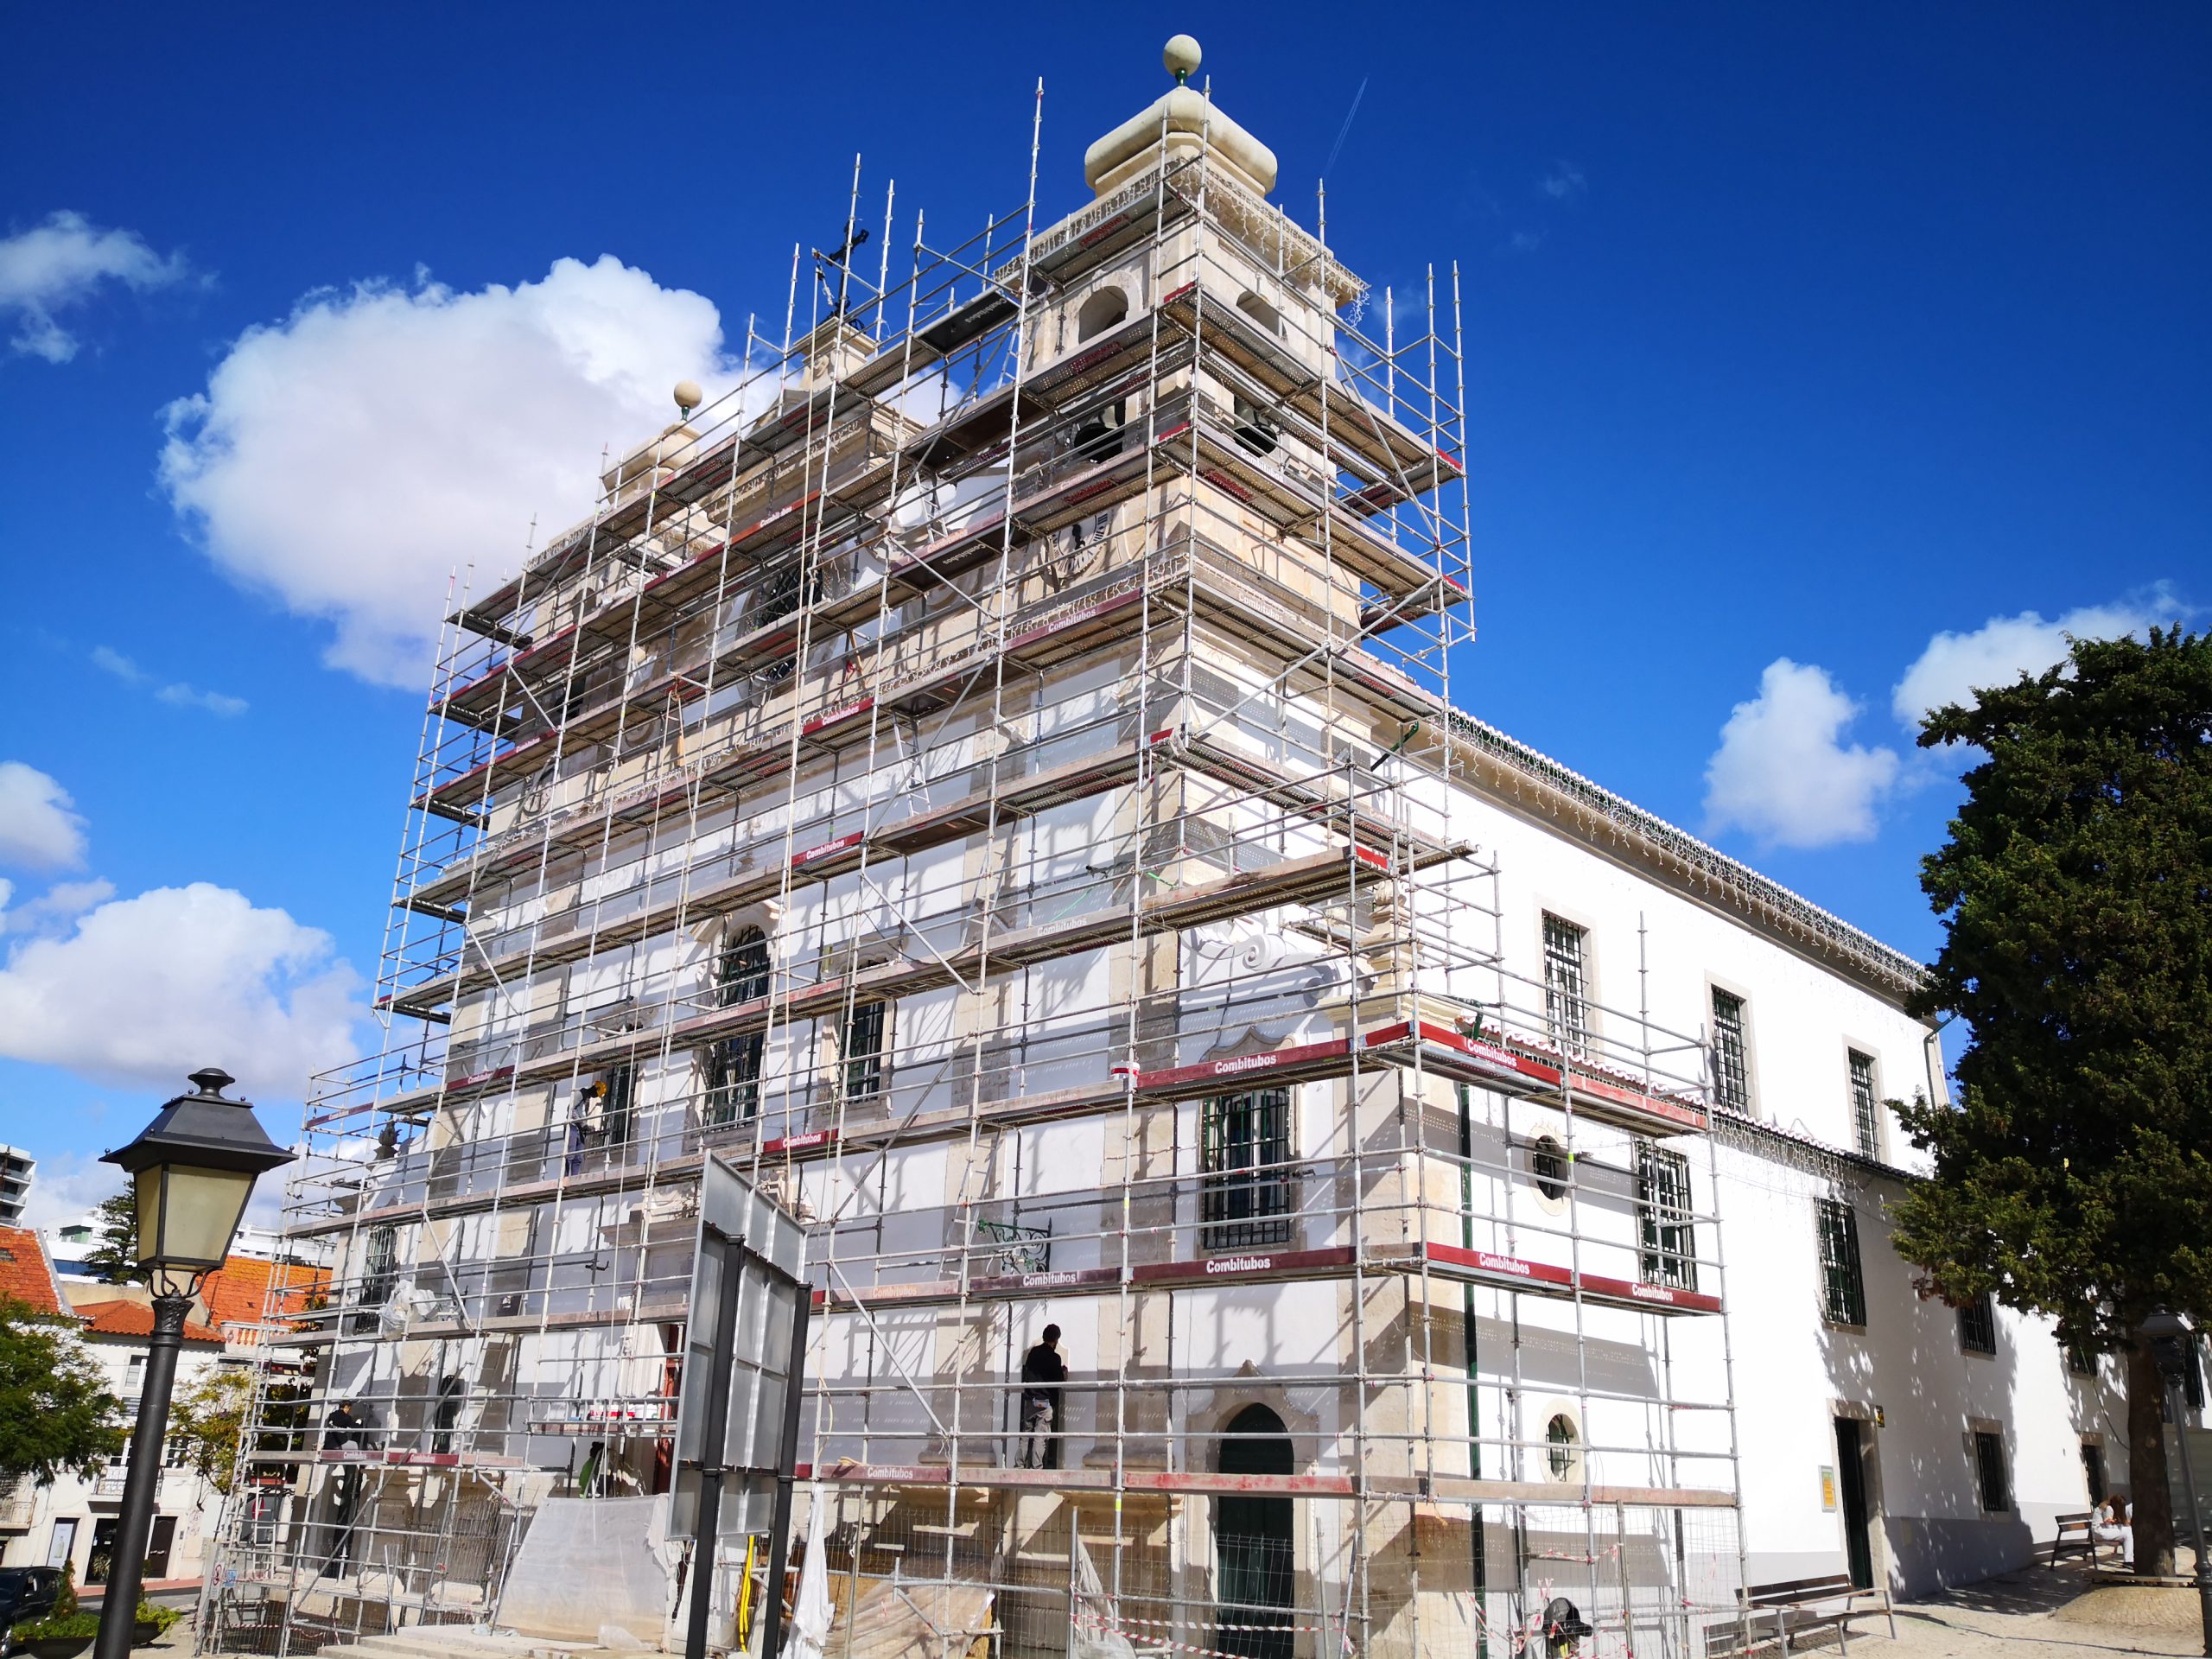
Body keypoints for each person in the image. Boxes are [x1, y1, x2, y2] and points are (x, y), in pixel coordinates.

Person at [1019, 1324, 1068, 1470]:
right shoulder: (1055, 1358)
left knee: (1025, 1435)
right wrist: (1063, 1373)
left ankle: (1019, 1465)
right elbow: (1058, 1381)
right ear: (1056, 1340)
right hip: (1044, 1402)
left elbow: (1028, 1374)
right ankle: (1036, 1467)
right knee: (1040, 1437)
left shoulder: (1033, 1353)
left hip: (1031, 1401)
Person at [2092, 1491, 2132, 1566]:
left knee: (2127, 1532)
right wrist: (2119, 1524)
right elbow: (2109, 1527)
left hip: (2100, 1531)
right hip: (2101, 1532)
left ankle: (2129, 1560)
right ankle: (2128, 1560)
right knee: (2128, 1531)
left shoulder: (2106, 1506)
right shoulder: (2109, 1508)